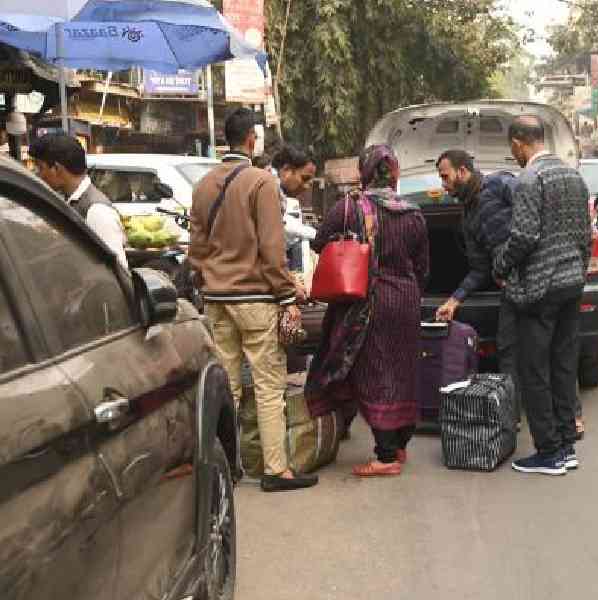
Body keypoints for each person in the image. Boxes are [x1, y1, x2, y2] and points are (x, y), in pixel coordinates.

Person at [189, 108, 316, 493]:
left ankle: (228, 468)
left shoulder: (204, 183)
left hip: (216, 298)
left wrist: (209, 278)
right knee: (268, 384)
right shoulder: (260, 182)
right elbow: (272, 248)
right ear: (251, 141)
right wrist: (287, 293)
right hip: (255, 298)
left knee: (227, 387)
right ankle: (276, 470)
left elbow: (195, 247)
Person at [305, 144, 429, 477]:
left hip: (366, 303)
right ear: (394, 172)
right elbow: (422, 267)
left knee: (374, 374)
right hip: (405, 302)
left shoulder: (350, 207)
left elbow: (319, 242)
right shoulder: (413, 212)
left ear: (366, 170)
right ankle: (400, 446)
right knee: (402, 372)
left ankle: (385, 456)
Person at [493, 116, 591, 476]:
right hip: (571, 283)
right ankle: (566, 445)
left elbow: (523, 236)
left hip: (539, 288)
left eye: (512, 149)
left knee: (533, 370)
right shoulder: (573, 176)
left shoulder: (529, 179)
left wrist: (500, 266)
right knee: (563, 366)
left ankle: (548, 451)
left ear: (519, 143)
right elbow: (585, 233)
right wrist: (578, 270)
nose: (514, 155)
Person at [433, 149, 521, 424]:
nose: (443, 184)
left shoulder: (500, 184)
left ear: (462, 171)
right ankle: (511, 416)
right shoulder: (468, 218)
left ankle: (571, 415)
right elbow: (480, 269)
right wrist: (454, 300)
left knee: (547, 350)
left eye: (445, 177)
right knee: (508, 351)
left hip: (539, 278)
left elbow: (534, 210)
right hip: (511, 290)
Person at [30, 133, 128, 269]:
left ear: (57, 169)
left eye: (40, 168)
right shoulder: (66, 200)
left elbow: (117, 272)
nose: (38, 174)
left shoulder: (97, 211)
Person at [272, 145, 317, 272]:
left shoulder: (281, 194)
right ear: (286, 170)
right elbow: (284, 227)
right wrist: (317, 234)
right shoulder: (267, 188)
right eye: (304, 178)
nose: (307, 186)